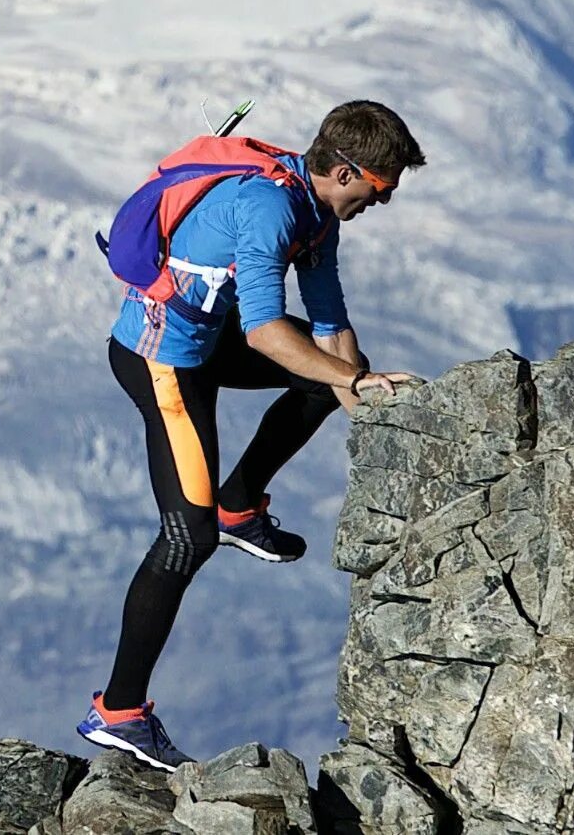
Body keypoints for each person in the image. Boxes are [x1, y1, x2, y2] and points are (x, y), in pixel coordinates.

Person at [78, 100, 425, 770]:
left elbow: (330, 329)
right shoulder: (268, 209)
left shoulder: (318, 214)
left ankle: (241, 505)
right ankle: (118, 712)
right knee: (187, 536)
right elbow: (267, 333)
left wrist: (366, 400)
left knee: (330, 376)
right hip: (161, 360)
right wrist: (348, 382)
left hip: (205, 345)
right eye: (380, 192)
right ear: (347, 170)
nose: (380, 205)